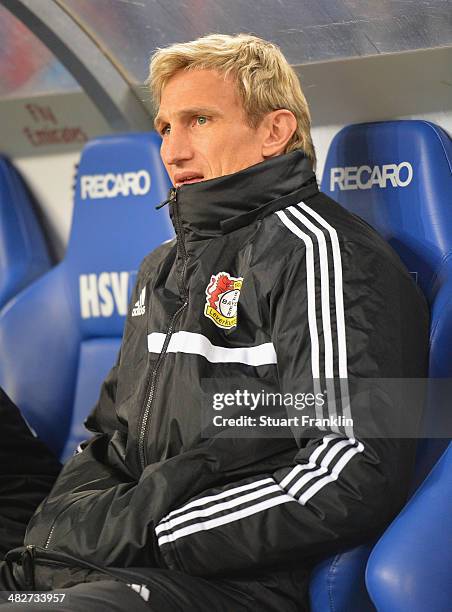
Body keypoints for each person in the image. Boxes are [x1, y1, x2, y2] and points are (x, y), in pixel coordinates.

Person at [0, 34, 429, 611]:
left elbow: (349, 466)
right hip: (120, 567)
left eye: (198, 120)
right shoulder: (162, 268)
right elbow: (112, 441)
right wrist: (67, 533)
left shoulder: (321, 254)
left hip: (239, 583)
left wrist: (151, 537)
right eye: (164, 129)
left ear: (273, 132)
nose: (173, 152)